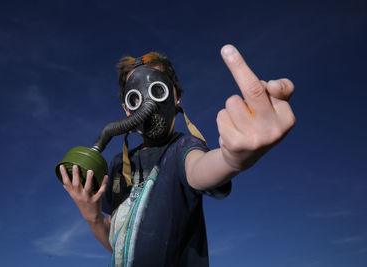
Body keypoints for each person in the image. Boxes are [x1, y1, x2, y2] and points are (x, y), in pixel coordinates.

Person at [59, 44, 296, 266]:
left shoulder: (182, 147)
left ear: (176, 96)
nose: (148, 104)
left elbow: (200, 168)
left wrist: (232, 159)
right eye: (135, 98)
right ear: (126, 109)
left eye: (157, 90)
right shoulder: (119, 166)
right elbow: (118, 244)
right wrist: (91, 216)